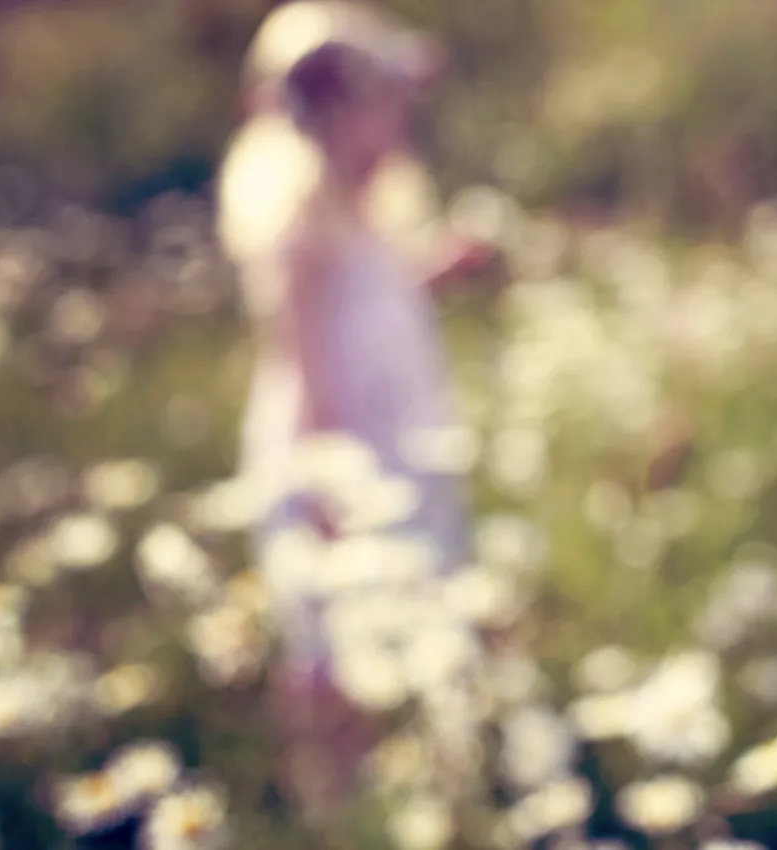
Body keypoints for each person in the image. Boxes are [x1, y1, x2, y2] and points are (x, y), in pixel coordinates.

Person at [215, 0, 492, 818]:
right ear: (337, 112)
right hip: (338, 464)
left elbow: (378, 302)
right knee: (332, 656)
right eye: (387, 96)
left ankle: (410, 804)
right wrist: (328, 492)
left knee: (411, 634)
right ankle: (334, 815)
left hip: (398, 458)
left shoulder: (358, 212)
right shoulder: (297, 228)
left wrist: (444, 267)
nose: (404, 113)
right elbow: (306, 371)